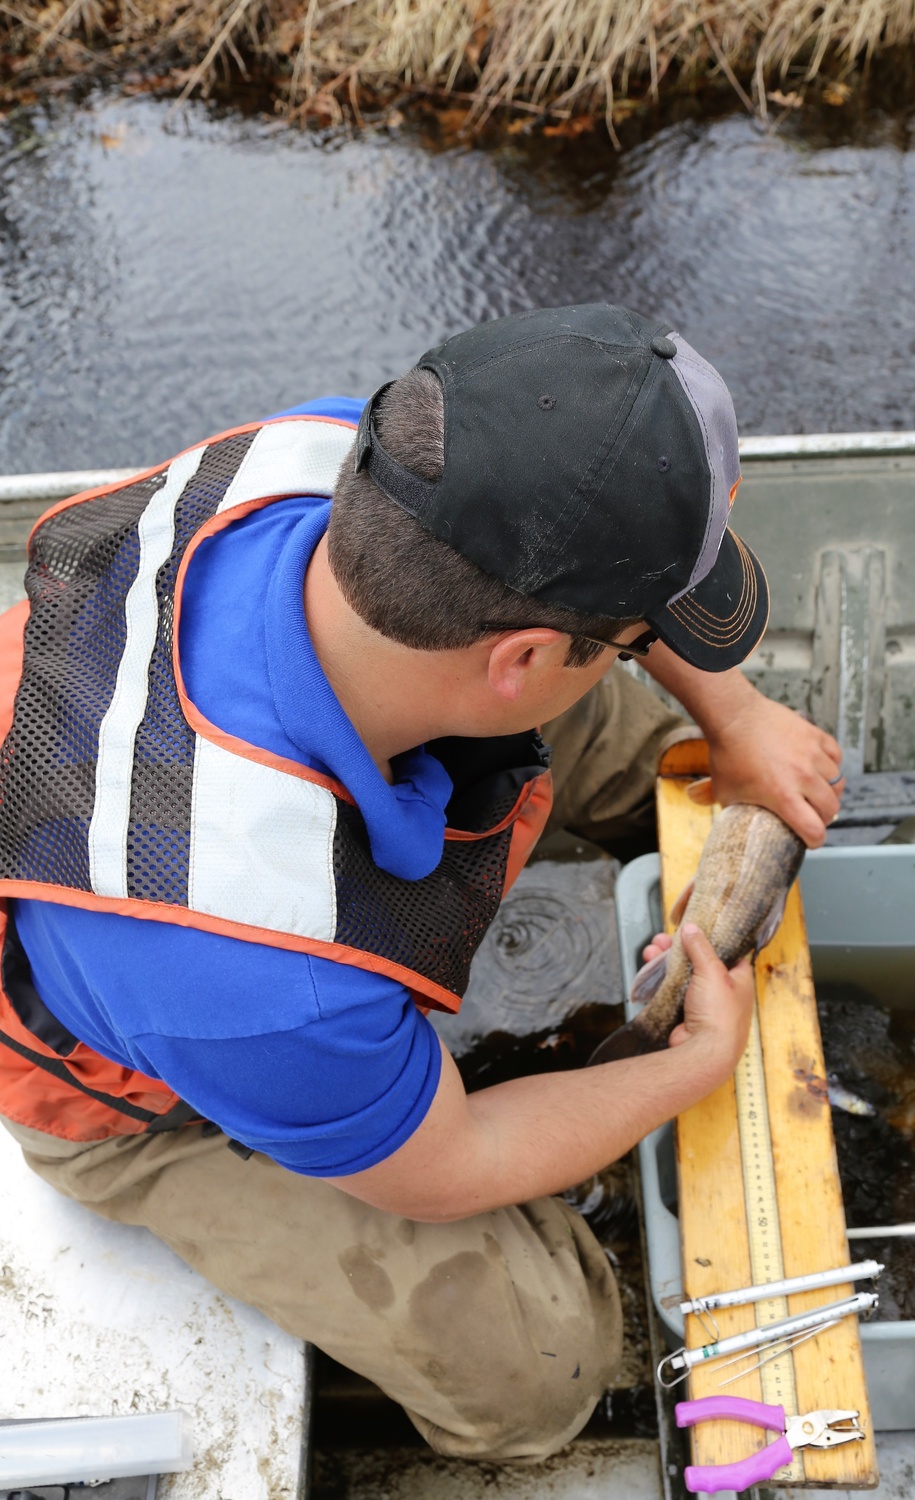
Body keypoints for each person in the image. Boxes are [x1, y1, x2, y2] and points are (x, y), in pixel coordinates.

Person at [0, 304, 842, 1461]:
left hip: (309, 729)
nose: (655, 648)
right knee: (539, 1367)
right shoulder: (259, 975)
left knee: (661, 747)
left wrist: (736, 719)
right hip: (140, 1088)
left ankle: (606, 732)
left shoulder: (356, 462)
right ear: (518, 662)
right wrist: (687, 1066)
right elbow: (450, 1167)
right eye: (640, 630)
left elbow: (565, 622)